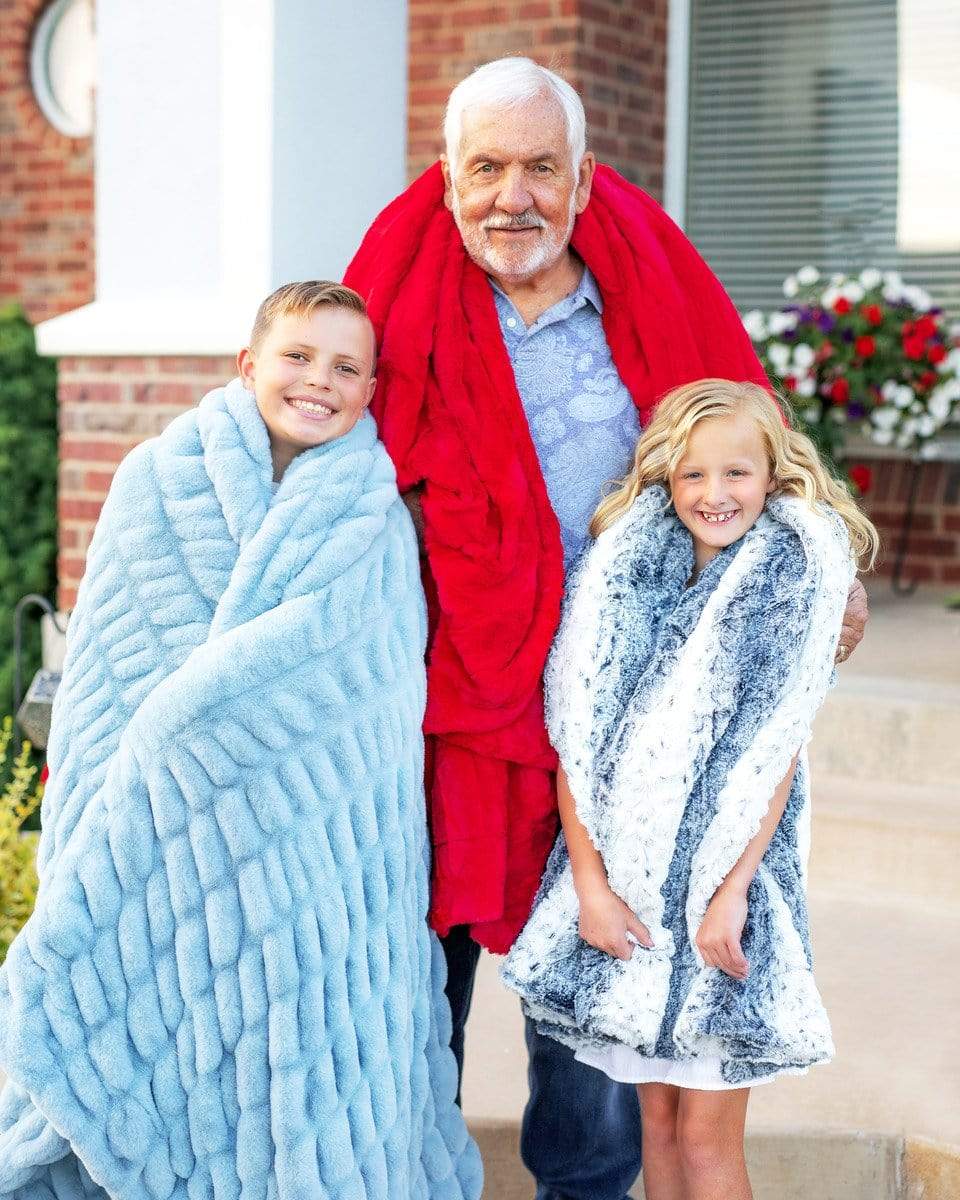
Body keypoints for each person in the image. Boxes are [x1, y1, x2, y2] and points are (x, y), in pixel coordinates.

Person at [344, 57, 869, 1200]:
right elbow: (313, 453)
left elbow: (743, 433)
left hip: (618, 728)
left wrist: (829, 563)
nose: (512, 197)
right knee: (406, 1008)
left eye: (541, 168)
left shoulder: (645, 285)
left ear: (583, 182)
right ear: (448, 177)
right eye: (486, 168)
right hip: (444, 714)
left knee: (593, 1031)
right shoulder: (395, 298)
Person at [0, 282, 482, 1200]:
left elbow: (371, 704)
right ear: (248, 364)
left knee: (294, 1052)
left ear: (371, 389)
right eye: (298, 356)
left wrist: (214, 724)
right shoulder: (155, 480)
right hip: (161, 838)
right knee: (170, 1039)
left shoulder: (373, 520)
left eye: (346, 368)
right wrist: (150, 758)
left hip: (306, 853)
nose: (319, 381)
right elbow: (109, 673)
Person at [503, 379, 880, 1200]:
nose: (715, 494)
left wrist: (731, 892)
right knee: (659, 1131)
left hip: (727, 892)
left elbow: (772, 755)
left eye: (736, 474)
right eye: (693, 476)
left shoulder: (785, 588)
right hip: (629, 894)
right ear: (666, 481)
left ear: (773, 477)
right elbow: (577, 743)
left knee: (708, 1140)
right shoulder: (618, 587)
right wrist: (592, 889)